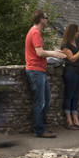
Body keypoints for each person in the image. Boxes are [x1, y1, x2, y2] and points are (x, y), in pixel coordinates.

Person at [25, 10, 65, 138]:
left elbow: (40, 51)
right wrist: (54, 54)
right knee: (40, 102)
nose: (47, 20)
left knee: (46, 99)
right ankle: (40, 130)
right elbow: (40, 53)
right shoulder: (35, 33)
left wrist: (53, 51)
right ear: (42, 19)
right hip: (36, 70)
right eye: (46, 18)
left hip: (39, 70)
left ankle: (42, 127)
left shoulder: (34, 32)